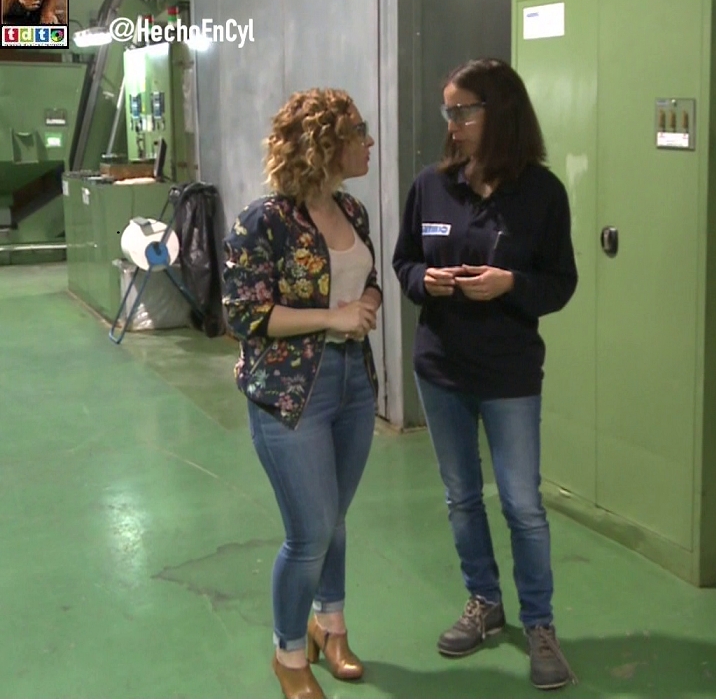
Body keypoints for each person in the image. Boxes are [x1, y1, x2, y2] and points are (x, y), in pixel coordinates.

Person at [392, 58, 579, 690]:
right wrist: (427, 280)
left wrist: (510, 285)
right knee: (462, 497)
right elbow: (404, 262)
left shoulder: (542, 194)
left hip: (509, 374)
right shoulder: (432, 186)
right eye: (448, 111)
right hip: (440, 368)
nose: (452, 124)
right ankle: (484, 602)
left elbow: (560, 283)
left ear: (500, 113)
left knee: (523, 505)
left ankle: (540, 625)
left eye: (463, 111)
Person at [222, 88, 381, 699]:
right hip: (290, 395)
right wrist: (333, 318)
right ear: (324, 144)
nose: (368, 142)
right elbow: (245, 314)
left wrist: (366, 302)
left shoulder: (352, 210)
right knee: (310, 531)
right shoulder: (264, 220)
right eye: (358, 132)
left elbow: (367, 279)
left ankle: (330, 625)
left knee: (334, 519)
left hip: (353, 385)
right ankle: (289, 654)